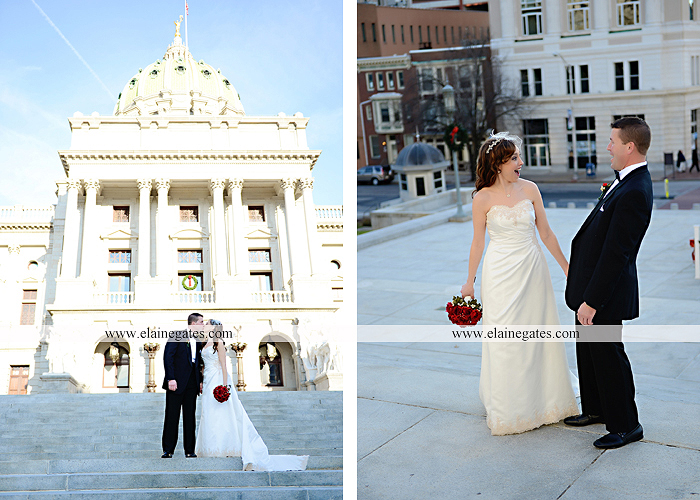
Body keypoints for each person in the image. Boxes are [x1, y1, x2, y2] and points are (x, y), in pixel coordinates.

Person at [460, 132, 578, 436]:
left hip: (532, 270)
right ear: (498, 163)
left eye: (518, 157)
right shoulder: (481, 198)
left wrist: (568, 269)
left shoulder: (531, 190)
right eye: (514, 158)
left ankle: (546, 400)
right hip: (499, 274)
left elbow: (547, 234)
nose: (520, 163)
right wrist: (469, 282)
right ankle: (509, 406)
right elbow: (476, 243)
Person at [565, 117, 653, 449]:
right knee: (589, 351)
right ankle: (597, 409)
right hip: (591, 287)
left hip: (605, 293)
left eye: (612, 141)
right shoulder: (623, 181)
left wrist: (593, 301)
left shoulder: (635, 190)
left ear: (629, 147)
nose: (608, 147)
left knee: (608, 355)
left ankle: (627, 425)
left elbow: (617, 253)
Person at [196, 319, 309, 471]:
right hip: (208, 380)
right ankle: (209, 448)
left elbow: (223, 366)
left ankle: (225, 447)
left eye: (207, 323)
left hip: (217, 379)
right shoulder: (204, 343)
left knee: (222, 414)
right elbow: (203, 365)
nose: (204, 325)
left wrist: (223, 387)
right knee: (209, 413)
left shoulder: (219, 343)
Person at [161, 312, 204, 458]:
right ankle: (168, 450)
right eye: (201, 322)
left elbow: (199, 363)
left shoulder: (198, 340)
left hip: (192, 384)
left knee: (190, 417)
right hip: (176, 383)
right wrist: (170, 378)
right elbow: (168, 357)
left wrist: (200, 381)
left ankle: (190, 450)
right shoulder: (177, 335)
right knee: (172, 416)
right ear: (193, 323)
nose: (203, 325)